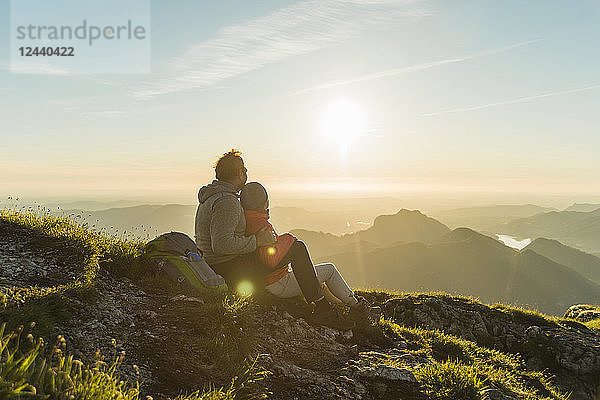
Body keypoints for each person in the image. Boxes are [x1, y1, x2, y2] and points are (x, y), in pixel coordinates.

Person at [194, 150, 359, 330]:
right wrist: (257, 241)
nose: (247, 174)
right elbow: (221, 245)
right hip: (230, 269)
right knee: (296, 248)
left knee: (288, 249)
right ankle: (322, 310)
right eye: (245, 170)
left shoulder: (212, 197)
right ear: (240, 173)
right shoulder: (227, 201)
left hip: (217, 265)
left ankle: (308, 294)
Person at [240, 181, 373, 321]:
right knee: (329, 270)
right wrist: (288, 239)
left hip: (272, 281)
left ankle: (343, 304)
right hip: (280, 283)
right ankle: (357, 306)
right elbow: (270, 260)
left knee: (318, 280)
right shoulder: (262, 225)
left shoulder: (248, 220)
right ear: (264, 203)